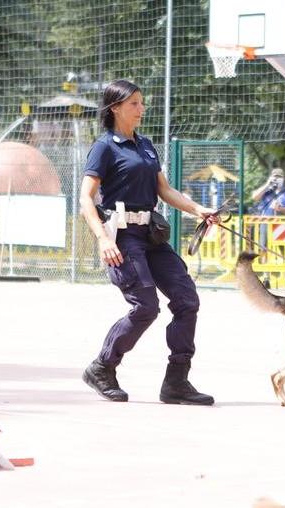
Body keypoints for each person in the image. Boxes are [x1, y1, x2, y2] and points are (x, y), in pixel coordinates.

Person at [79, 79, 218, 406]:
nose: (142, 109)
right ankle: (102, 367)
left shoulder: (145, 145)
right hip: (122, 237)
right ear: (115, 108)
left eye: (142, 103)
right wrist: (102, 238)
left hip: (152, 236)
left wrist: (199, 210)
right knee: (146, 306)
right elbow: (86, 198)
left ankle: (177, 382)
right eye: (134, 104)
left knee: (187, 300)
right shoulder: (105, 147)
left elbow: (164, 191)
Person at [249, 167, 285, 289]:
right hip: (266, 224)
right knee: (264, 250)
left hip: (282, 225)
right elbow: (254, 197)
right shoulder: (267, 191)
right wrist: (267, 184)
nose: (276, 179)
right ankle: (266, 278)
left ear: (283, 179)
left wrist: (280, 209)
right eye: (274, 176)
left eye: (279, 177)